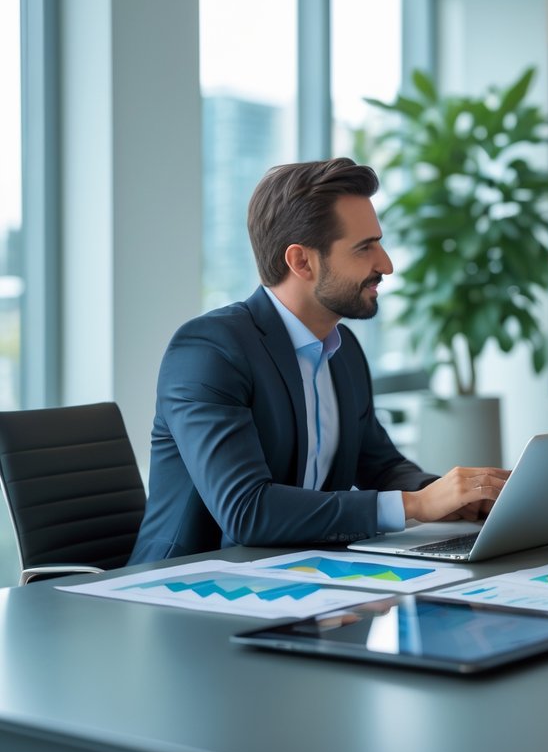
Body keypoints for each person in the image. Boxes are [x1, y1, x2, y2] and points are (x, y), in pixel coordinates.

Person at [129, 158, 507, 564]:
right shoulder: (209, 351)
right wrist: (413, 506)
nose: (386, 264)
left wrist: (458, 496)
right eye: (365, 248)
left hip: (298, 576)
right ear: (301, 261)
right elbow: (247, 511)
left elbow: (380, 465)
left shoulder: (343, 349)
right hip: (185, 592)